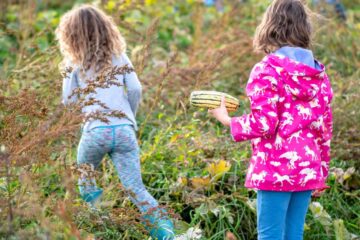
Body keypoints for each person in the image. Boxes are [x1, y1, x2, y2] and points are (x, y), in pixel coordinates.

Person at [208, 0, 333, 239]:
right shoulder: (319, 75)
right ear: (305, 28)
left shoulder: (267, 70)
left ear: (269, 26)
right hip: (308, 167)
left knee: (270, 235)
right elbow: (324, 129)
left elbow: (264, 123)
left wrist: (226, 119)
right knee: (293, 234)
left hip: (276, 169)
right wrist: (320, 173)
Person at [55, 5, 174, 239]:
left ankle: (102, 225)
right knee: (135, 188)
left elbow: (68, 101)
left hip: (94, 132)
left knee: (86, 178)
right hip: (124, 131)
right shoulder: (119, 57)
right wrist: (128, 116)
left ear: (71, 35)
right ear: (106, 28)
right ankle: (168, 234)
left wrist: (81, 118)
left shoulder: (73, 64)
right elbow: (136, 89)